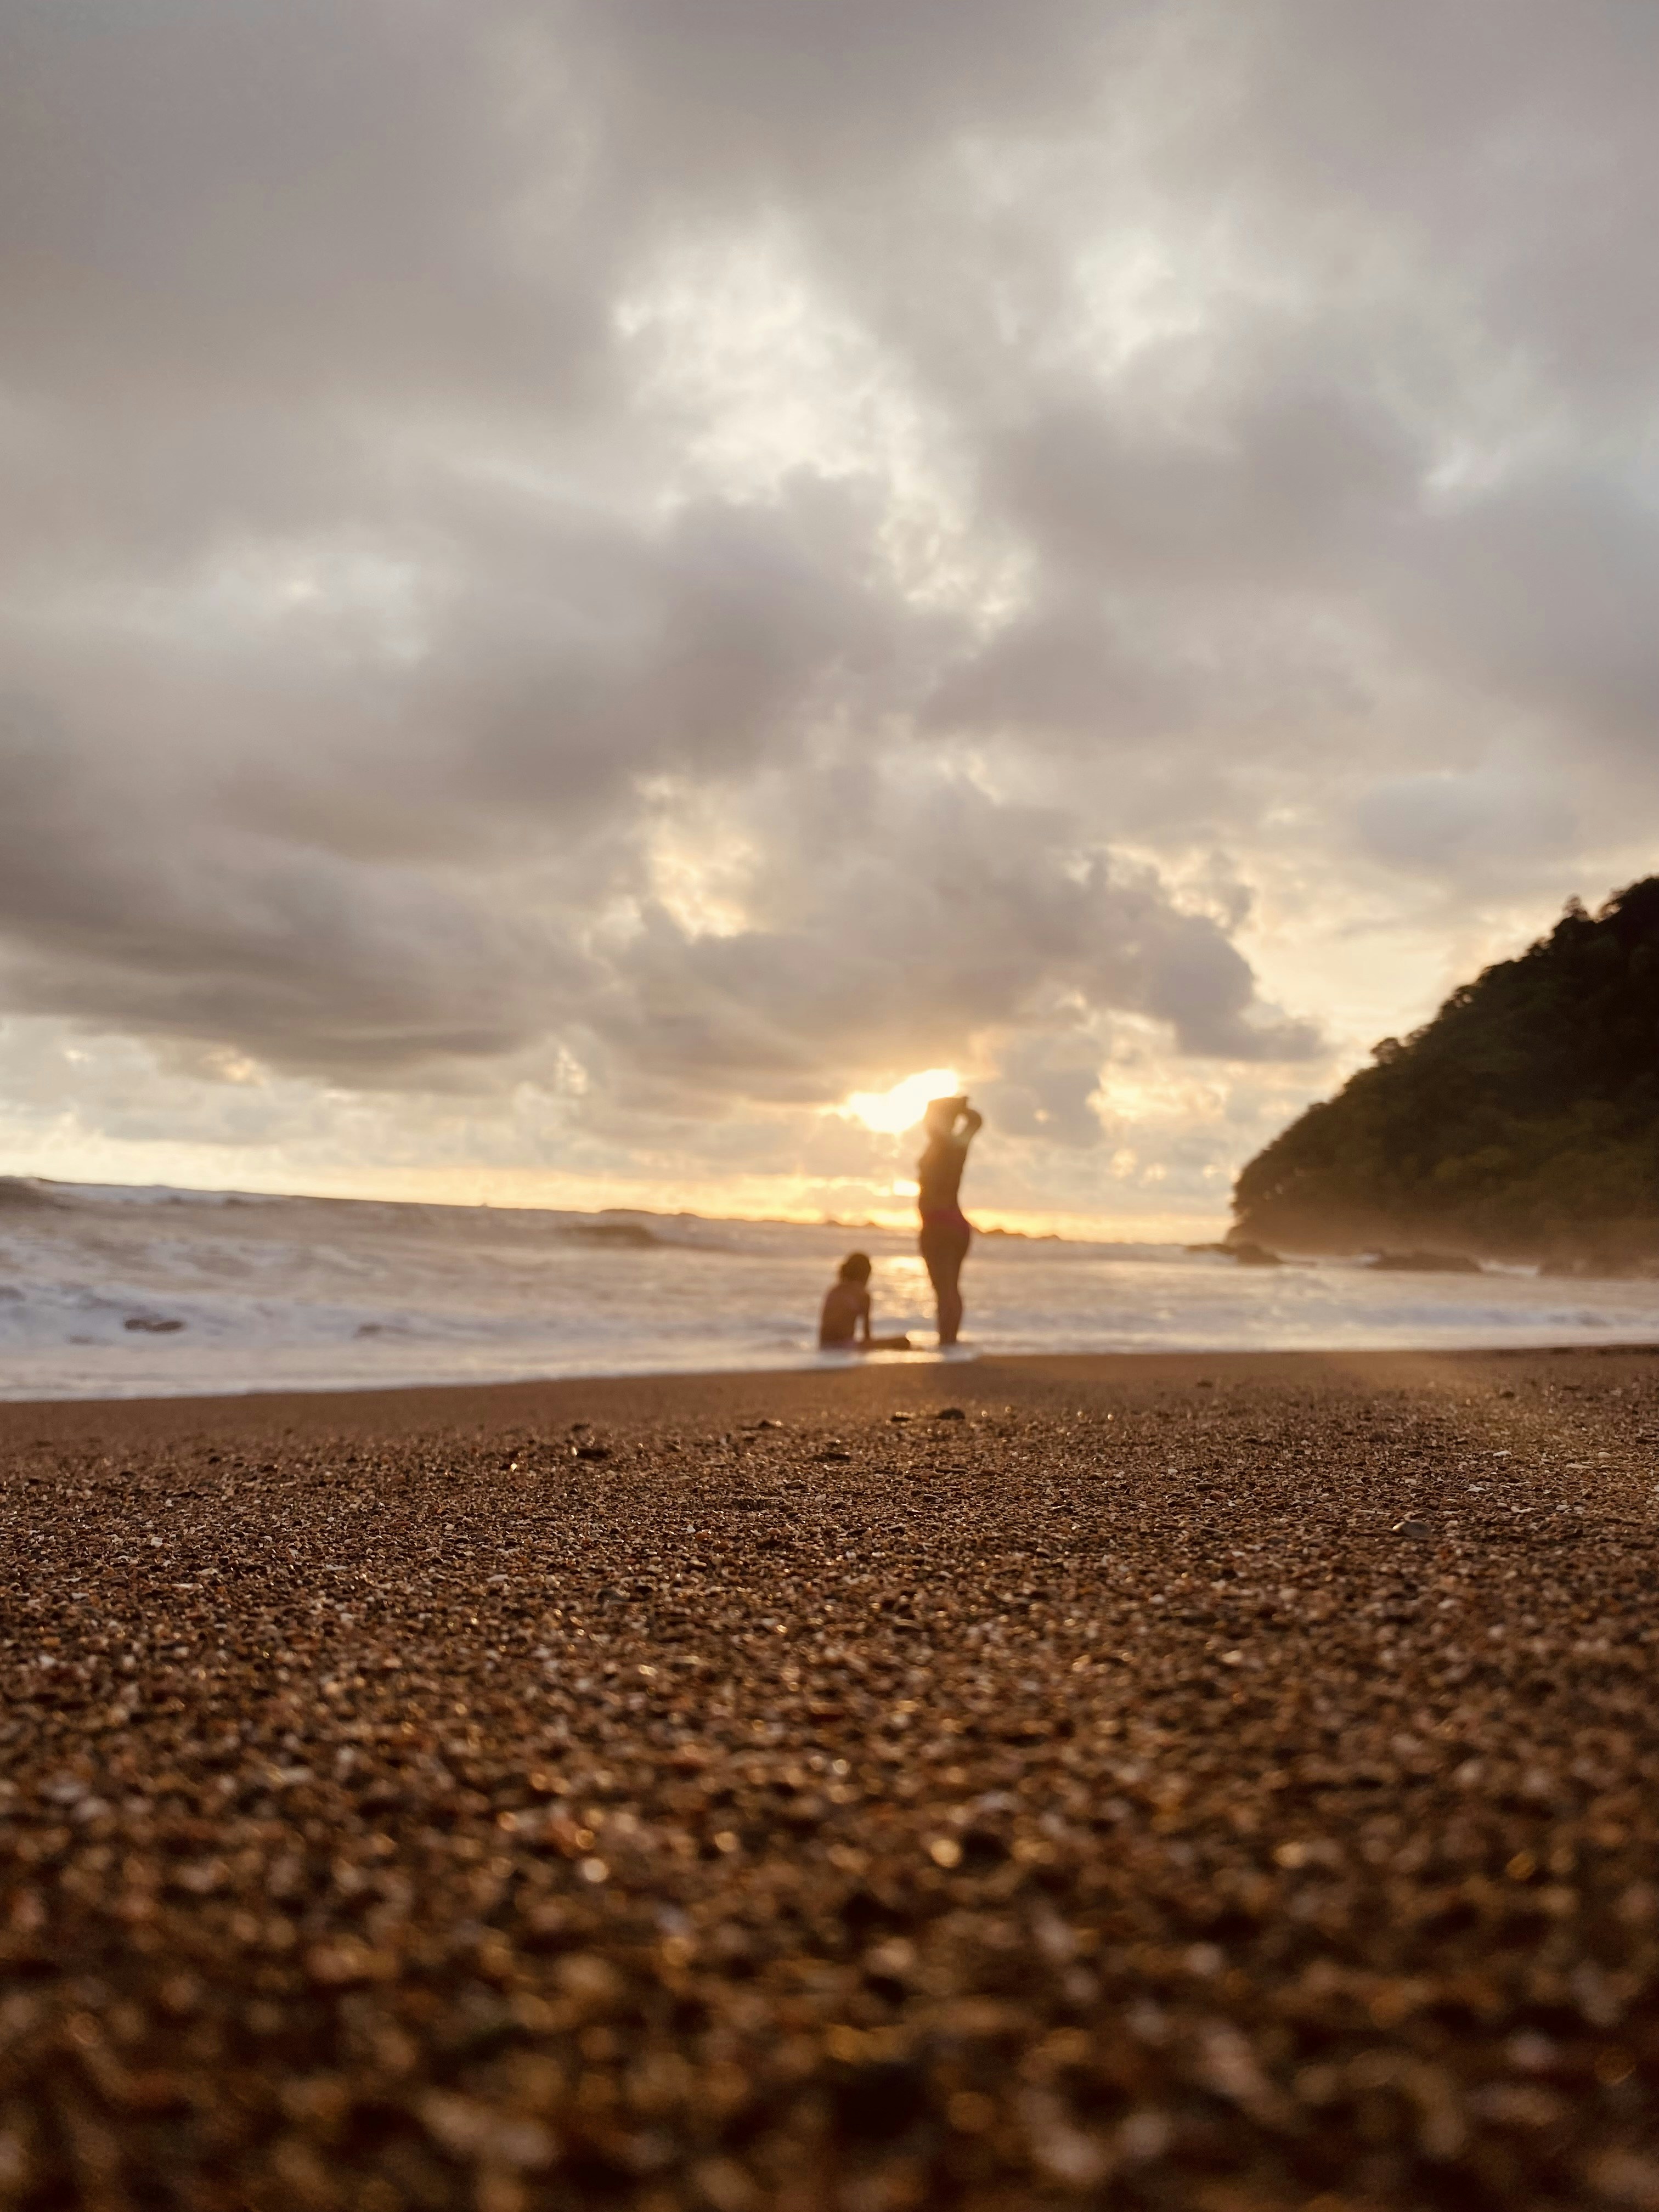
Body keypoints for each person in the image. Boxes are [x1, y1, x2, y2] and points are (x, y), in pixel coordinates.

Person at [917, 1095, 981, 1347]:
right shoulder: (958, 1145)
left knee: (944, 1288)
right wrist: (961, 1109)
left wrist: (954, 1107)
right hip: (955, 1222)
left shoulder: (942, 1143)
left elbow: (935, 1117)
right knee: (951, 1287)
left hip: (938, 1222)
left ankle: (947, 1341)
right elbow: (976, 1121)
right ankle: (949, 1340)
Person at [819, 1252, 913, 1352]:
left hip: (824, 1346)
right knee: (903, 1342)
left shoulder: (834, 1290)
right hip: (845, 1346)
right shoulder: (863, 1295)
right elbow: (867, 1336)